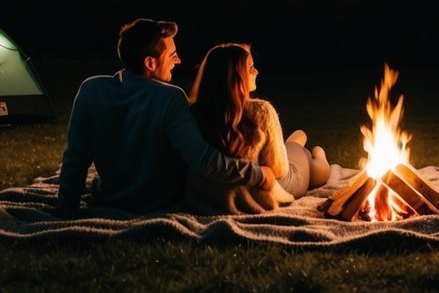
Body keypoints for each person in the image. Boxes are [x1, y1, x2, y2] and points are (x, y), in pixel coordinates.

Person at [56, 19, 276, 215]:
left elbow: (75, 157)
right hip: (158, 203)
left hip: (111, 196)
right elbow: (205, 161)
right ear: (150, 63)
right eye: (172, 55)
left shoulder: (91, 89)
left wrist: (66, 207)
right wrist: (258, 175)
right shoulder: (169, 98)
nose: (178, 60)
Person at [185, 42, 331, 214]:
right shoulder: (261, 111)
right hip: (273, 184)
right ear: (236, 76)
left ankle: (295, 143)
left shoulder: (191, 112)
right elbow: (280, 169)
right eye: (251, 67)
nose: (256, 72)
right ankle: (316, 153)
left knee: (296, 142)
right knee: (308, 159)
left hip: (226, 187)